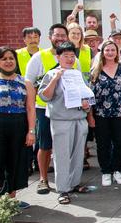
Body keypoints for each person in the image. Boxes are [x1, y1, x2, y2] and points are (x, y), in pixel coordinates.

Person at [37, 42, 92, 205]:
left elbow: (87, 94)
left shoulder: (78, 74)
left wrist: (86, 104)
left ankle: (74, 183)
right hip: (61, 120)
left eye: (72, 56)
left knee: (77, 154)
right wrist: (55, 78)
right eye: (65, 56)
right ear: (58, 57)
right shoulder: (52, 73)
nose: (69, 59)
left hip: (79, 118)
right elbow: (44, 96)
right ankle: (62, 189)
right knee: (61, 155)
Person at [0, 47, 36, 209]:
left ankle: (11, 198)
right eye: (4, 59)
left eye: (11, 58)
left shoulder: (25, 82)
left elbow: (30, 108)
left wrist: (31, 131)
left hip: (18, 125)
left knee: (15, 161)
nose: (8, 61)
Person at [25, 23, 75, 195]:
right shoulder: (39, 57)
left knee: (66, 146)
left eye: (63, 35)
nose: (60, 38)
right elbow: (29, 83)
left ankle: (67, 179)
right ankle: (43, 179)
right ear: (50, 37)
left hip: (66, 109)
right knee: (45, 145)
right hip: (43, 108)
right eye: (57, 35)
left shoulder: (72, 57)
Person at [90, 40, 121, 187]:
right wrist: (90, 115)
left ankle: (117, 169)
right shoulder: (96, 70)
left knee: (119, 141)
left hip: (120, 112)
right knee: (103, 143)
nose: (110, 53)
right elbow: (90, 95)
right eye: (107, 50)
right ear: (102, 52)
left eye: (113, 50)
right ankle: (105, 171)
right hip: (100, 113)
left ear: (117, 53)